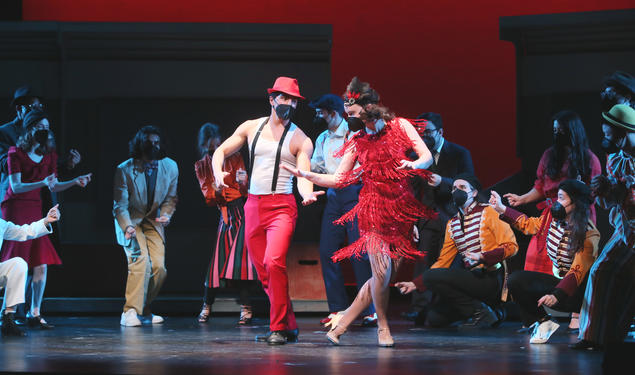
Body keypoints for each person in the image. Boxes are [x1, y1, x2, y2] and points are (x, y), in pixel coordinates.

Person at [281, 77, 434, 347]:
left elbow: (426, 156)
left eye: (351, 113)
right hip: (372, 211)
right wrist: (306, 174)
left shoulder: (401, 126)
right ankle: (383, 328)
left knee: (381, 278)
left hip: (401, 213)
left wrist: (414, 164)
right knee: (381, 275)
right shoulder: (357, 141)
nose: (348, 117)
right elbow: (339, 179)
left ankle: (339, 327)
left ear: (367, 106)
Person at [211, 77, 323, 345]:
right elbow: (221, 150)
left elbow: (303, 172)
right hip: (253, 206)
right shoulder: (252, 127)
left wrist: (306, 192)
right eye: (284, 98)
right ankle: (289, 324)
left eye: (293, 100)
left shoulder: (300, 139)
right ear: (272, 99)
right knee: (264, 271)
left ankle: (278, 329)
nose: (289, 104)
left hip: (282, 207)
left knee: (275, 263)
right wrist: (217, 173)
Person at [503, 110, 601, 332]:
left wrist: (572, 206)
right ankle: (538, 318)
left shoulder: (588, 159)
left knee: (577, 264)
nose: (557, 134)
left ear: (572, 132)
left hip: (577, 216)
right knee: (536, 267)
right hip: (550, 217)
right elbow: (540, 186)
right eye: (555, 130)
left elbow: (592, 192)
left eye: (562, 130)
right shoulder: (549, 156)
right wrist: (521, 199)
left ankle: (577, 313)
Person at [396, 174, 517, 329]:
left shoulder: (490, 212)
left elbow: (511, 247)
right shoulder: (452, 224)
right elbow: (443, 262)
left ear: (473, 193)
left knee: (434, 277)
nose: (456, 191)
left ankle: (482, 312)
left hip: (489, 278)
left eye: (462, 188)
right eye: (454, 188)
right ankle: (493, 312)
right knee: (433, 319)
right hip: (470, 280)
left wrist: (483, 256)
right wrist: (415, 284)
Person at [0, 125, 91, 329]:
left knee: (31, 263)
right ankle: (8, 311)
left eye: (47, 128)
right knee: (17, 259)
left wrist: (74, 182)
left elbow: (52, 186)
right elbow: (16, 186)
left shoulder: (49, 156)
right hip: (17, 208)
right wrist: (42, 182)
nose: (45, 131)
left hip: (34, 209)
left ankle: (23, 314)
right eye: (40, 127)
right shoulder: (15, 153)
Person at [490, 180, 599, 344]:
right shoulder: (550, 217)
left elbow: (577, 271)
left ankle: (581, 319)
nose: (557, 203)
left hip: (579, 293)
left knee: (574, 285)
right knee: (516, 280)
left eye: (561, 198)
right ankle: (543, 322)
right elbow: (528, 224)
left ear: (575, 203)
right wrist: (501, 208)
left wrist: (556, 295)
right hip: (559, 283)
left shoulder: (589, 234)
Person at [572, 104, 634, 354]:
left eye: (615, 136)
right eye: (608, 136)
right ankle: (595, 336)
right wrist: (604, 190)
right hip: (626, 231)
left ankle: (608, 336)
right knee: (601, 271)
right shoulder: (617, 160)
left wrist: (627, 191)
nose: (612, 142)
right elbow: (609, 203)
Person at [309, 93, 375, 327]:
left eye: (321, 112)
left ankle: (369, 309)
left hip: (354, 193)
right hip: (333, 196)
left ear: (333, 113)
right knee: (328, 251)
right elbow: (316, 165)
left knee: (358, 252)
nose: (319, 116)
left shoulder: (355, 134)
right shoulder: (323, 138)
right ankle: (337, 308)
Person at [406, 111, 475, 322]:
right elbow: (411, 191)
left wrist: (444, 182)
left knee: (449, 263)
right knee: (424, 261)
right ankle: (420, 308)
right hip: (426, 217)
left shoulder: (458, 153)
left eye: (427, 132)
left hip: (452, 216)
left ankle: (448, 308)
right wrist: (412, 222)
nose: (423, 136)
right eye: (419, 132)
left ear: (441, 132)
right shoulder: (415, 156)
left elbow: (470, 183)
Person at [113, 126, 178, 327]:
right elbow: (120, 205)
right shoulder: (124, 169)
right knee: (140, 262)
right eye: (150, 143)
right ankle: (130, 311)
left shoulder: (170, 167)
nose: (154, 147)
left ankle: (144, 308)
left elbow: (171, 198)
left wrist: (166, 214)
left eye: (157, 143)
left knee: (159, 268)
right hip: (131, 220)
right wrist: (127, 227)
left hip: (152, 220)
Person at [194, 122, 258, 325]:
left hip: (242, 213)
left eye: (217, 144)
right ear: (204, 145)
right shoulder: (202, 165)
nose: (214, 148)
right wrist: (218, 191)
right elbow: (209, 197)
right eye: (210, 145)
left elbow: (244, 190)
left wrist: (243, 182)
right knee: (217, 264)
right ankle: (207, 304)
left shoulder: (235, 157)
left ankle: (246, 307)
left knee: (240, 264)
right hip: (225, 216)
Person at [0, 204, 61, 337]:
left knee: (19, 263)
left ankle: (8, 317)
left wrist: (46, 220)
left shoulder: (1, 224)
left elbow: (24, 232)